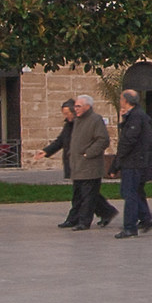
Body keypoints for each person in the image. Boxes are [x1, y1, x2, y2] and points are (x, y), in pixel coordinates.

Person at [111, 87, 152, 237]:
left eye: (121, 99)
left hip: (133, 162)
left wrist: (117, 162)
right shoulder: (135, 116)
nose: (120, 102)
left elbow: (128, 140)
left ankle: (130, 227)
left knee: (129, 193)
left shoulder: (136, 117)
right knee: (136, 192)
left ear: (125, 101)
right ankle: (146, 218)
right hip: (138, 161)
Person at [67, 94, 116, 230]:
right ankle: (106, 212)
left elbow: (103, 140)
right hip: (78, 165)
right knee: (80, 194)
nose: (75, 109)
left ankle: (84, 221)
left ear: (87, 107)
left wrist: (89, 153)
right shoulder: (77, 121)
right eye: (75, 106)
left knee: (88, 196)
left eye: (78, 106)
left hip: (90, 165)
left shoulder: (95, 120)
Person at [46, 99, 82, 227]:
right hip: (71, 162)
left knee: (81, 192)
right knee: (85, 192)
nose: (66, 116)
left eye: (67, 113)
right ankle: (107, 212)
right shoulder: (68, 125)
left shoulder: (80, 124)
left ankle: (74, 218)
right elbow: (60, 141)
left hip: (81, 163)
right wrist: (46, 152)